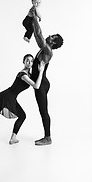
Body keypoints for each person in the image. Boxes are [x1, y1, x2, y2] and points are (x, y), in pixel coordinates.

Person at [31, 14, 63, 146]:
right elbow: (37, 35)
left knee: (43, 111)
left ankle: (48, 137)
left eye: (53, 37)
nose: (50, 35)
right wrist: (33, 20)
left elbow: (39, 33)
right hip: (40, 81)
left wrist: (35, 18)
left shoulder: (48, 50)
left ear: (53, 42)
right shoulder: (43, 49)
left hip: (42, 84)